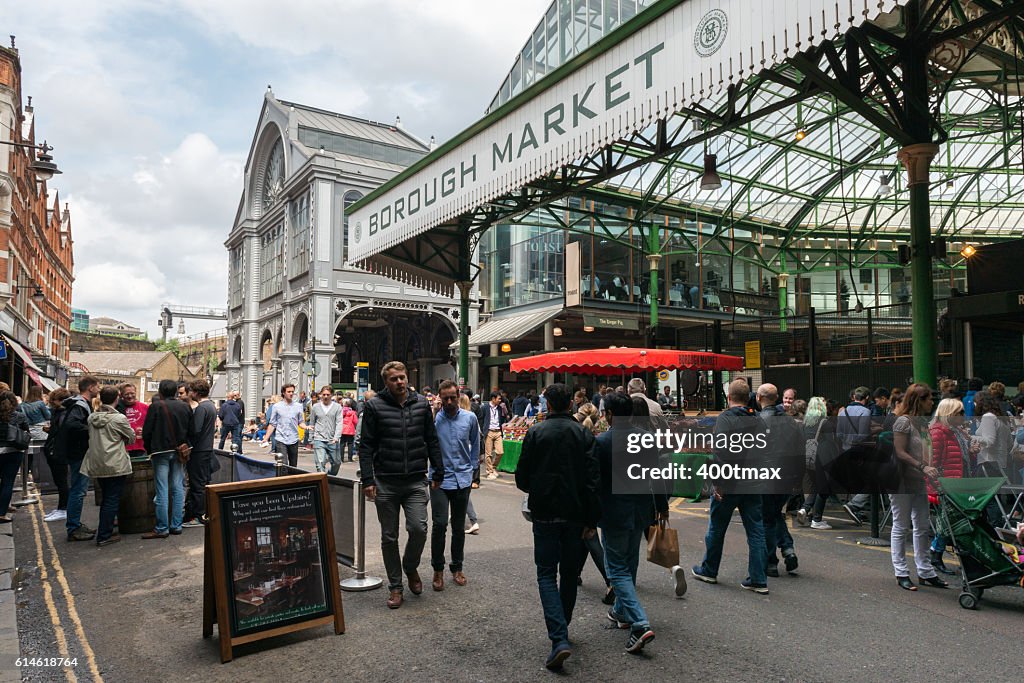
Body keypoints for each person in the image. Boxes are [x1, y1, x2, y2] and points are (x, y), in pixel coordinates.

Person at [515, 384, 600, 671]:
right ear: (569, 405)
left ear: (548, 405)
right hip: (576, 515)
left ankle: (558, 637)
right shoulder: (584, 434)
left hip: (545, 514)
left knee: (546, 574)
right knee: (570, 573)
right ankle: (563, 630)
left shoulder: (535, 433)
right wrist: (591, 521)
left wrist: (537, 488)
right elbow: (592, 482)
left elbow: (522, 478)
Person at [359, 361, 443, 609]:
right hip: (386, 481)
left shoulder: (420, 404)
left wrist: (438, 469)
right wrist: (368, 479)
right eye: (394, 379)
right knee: (389, 536)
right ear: (386, 381)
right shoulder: (374, 406)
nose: (399, 382)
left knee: (419, 528)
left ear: (407, 378)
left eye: (402, 378)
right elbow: (366, 446)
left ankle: (410, 566)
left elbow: (431, 439)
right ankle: (396, 586)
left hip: (416, 479)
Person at [597, 392, 665, 653]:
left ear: (611, 414)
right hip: (641, 510)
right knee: (630, 561)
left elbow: (595, 483)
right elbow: (656, 476)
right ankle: (621, 612)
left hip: (614, 513)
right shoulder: (647, 438)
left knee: (616, 569)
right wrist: (661, 506)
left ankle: (639, 622)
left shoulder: (602, 442)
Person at [692, 379, 770, 594]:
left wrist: (718, 483)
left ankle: (709, 570)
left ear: (728, 398)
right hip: (753, 482)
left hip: (730, 484)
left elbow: (721, 454)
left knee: (717, 528)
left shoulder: (725, 419)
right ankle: (758, 579)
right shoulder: (759, 420)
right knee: (756, 531)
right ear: (748, 398)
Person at [888, 383, 946, 591]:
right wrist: (923, 466)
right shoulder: (903, 422)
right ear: (918, 400)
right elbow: (899, 451)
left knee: (922, 525)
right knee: (901, 525)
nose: (932, 402)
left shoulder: (921, 423)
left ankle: (925, 570)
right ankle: (901, 572)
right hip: (901, 480)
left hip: (918, 480)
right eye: (929, 398)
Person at [429, 380, 479, 591]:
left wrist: (474, 473)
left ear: (458, 396)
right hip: (439, 480)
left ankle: (457, 567)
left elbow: (475, 445)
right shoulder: (433, 419)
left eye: (453, 397)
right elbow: (425, 440)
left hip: (462, 479)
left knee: (458, 527)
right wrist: (433, 413)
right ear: (440, 397)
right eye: (445, 398)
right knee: (440, 525)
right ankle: (437, 569)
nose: (449, 401)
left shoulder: (470, 418)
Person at [755, 384, 802, 577]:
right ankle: (788, 549)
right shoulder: (791, 422)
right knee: (775, 514)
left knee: (767, 518)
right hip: (787, 477)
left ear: (759, 397)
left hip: (767, 477)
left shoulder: (758, 421)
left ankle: (770, 561)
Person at [82, 386, 135, 546]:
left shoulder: (92, 417)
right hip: (115, 463)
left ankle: (107, 529)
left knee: (106, 497)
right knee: (112, 499)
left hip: (97, 462)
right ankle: (104, 535)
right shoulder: (119, 419)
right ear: (117, 398)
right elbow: (131, 438)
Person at [141, 379, 192, 539]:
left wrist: (149, 449)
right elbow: (191, 429)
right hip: (179, 451)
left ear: (161, 392)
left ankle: (162, 527)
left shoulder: (156, 406)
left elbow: (147, 431)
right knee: (177, 488)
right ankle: (176, 525)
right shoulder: (185, 406)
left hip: (160, 451)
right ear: (176, 391)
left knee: (162, 489)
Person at [928, 398, 967, 575]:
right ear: (949, 413)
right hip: (946, 485)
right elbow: (932, 463)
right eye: (960, 412)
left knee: (949, 522)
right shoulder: (938, 433)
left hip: (953, 483)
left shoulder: (953, 432)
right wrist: (938, 487)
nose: (963, 416)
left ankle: (937, 555)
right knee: (947, 523)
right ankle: (935, 555)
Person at [61, 376, 101, 542]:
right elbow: (72, 424)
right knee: (78, 491)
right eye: (97, 386)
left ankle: (75, 524)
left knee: (78, 490)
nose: (99, 389)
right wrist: (91, 429)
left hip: (77, 452)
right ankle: (73, 527)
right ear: (90, 387)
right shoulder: (80, 404)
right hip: (78, 453)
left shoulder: (79, 403)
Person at [795, 397, 839, 530]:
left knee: (815, 485)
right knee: (824, 488)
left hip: (809, 457)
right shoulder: (825, 423)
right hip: (822, 458)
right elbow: (831, 443)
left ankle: (805, 509)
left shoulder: (805, 423)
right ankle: (817, 519)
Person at [183, 379, 217, 528]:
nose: (190, 394)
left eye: (191, 391)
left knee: (197, 484)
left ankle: (199, 515)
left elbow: (196, 429)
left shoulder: (202, 408)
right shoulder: (211, 406)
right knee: (203, 482)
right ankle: (201, 513)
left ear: (195, 392)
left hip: (198, 450)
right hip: (206, 448)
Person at [42, 388, 71, 522]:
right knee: (60, 481)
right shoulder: (59, 412)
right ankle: (61, 507)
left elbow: (60, 431)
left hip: (58, 451)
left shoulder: (63, 413)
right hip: (55, 449)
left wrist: (51, 429)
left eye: (55, 400)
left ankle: (63, 509)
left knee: (61, 481)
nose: (52, 403)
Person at [0, 391, 29, 524]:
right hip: (13, 452)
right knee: (7, 482)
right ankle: (2, 514)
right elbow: (26, 432)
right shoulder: (19, 416)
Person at [263, 384, 307, 468]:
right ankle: (283, 479)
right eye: (289, 392)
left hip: (293, 438)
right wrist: (266, 438)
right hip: (281, 439)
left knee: (293, 465)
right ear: (283, 393)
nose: (291, 394)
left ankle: (292, 480)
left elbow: (300, 422)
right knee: (283, 464)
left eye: (292, 392)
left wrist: (306, 427)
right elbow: (272, 424)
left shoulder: (298, 406)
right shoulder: (276, 406)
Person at [309, 387, 342, 475]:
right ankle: (323, 483)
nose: (326, 396)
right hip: (319, 438)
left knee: (336, 463)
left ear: (331, 395)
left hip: (332, 439)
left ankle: (330, 477)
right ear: (320, 395)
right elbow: (312, 423)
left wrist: (336, 437)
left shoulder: (337, 407)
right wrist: (311, 439)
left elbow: (339, 423)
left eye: (328, 394)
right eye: (324, 395)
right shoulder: (315, 407)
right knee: (320, 463)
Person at [476, 391, 509, 480]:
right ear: (493, 399)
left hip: (498, 431)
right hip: (489, 431)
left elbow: (503, 418)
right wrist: (482, 431)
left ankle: (493, 467)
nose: (500, 400)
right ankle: (489, 471)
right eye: (498, 399)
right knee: (488, 453)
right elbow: (481, 419)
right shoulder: (484, 408)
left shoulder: (500, 408)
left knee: (500, 452)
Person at [116, 383, 148, 458]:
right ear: (121, 395)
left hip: (141, 448)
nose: (130, 396)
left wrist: (145, 430)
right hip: (122, 448)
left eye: (132, 393)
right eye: (127, 394)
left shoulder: (145, 407)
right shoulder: (117, 408)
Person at [339, 398, 357, 463]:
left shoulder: (341, 411)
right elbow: (355, 421)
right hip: (351, 430)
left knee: (342, 444)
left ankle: (341, 459)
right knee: (350, 444)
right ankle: (349, 459)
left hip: (343, 429)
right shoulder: (352, 412)